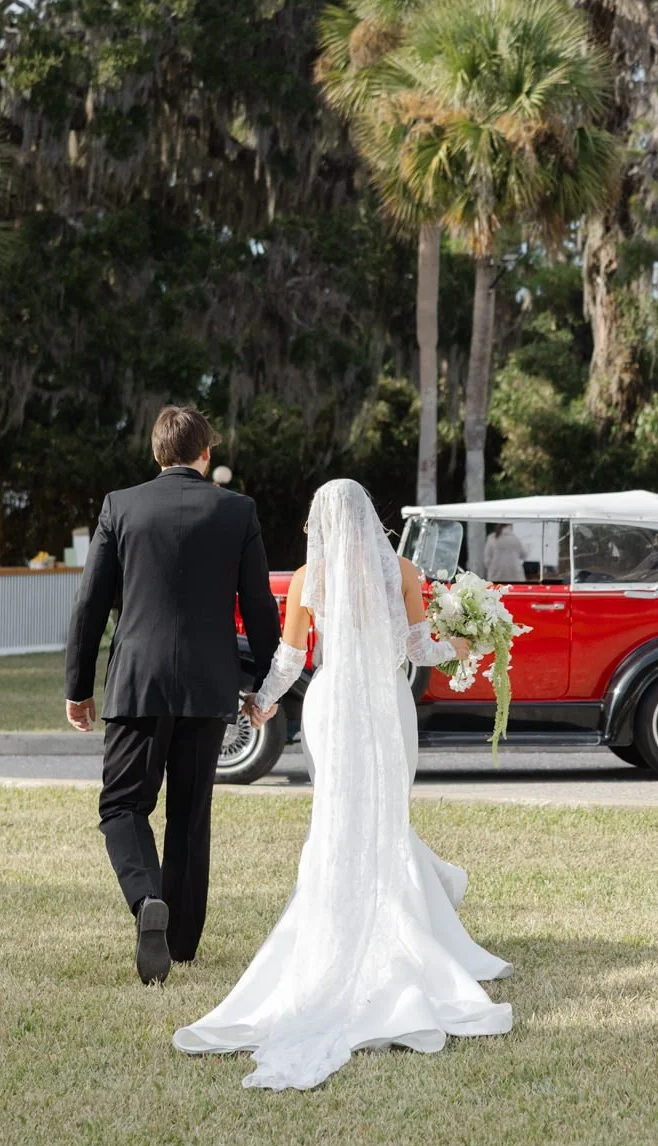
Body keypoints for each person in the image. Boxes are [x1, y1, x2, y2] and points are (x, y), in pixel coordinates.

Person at [174, 478, 512, 1090]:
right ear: (367, 518)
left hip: (331, 704)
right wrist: (471, 639)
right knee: (383, 815)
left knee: (336, 816)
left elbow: (291, 658)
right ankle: (407, 926)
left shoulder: (309, 578)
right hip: (386, 704)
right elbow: (423, 649)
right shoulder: (402, 572)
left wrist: (264, 703)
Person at [64, 405, 280, 985]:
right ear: (205, 454)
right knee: (190, 812)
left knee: (123, 806)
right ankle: (180, 942)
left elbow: (90, 604)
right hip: (210, 686)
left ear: (156, 454)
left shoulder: (121, 506)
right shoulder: (237, 510)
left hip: (137, 682)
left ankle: (145, 903)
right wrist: (267, 683)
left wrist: (77, 687)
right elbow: (259, 605)